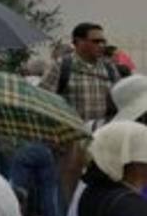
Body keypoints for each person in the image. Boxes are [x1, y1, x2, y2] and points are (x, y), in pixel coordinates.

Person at [42, 23, 122, 202]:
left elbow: (120, 104)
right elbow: (44, 102)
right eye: (96, 41)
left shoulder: (109, 69)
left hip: (102, 146)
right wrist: (54, 138)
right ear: (78, 42)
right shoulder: (63, 67)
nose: (101, 45)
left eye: (103, 41)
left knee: (98, 198)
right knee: (68, 199)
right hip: (71, 146)